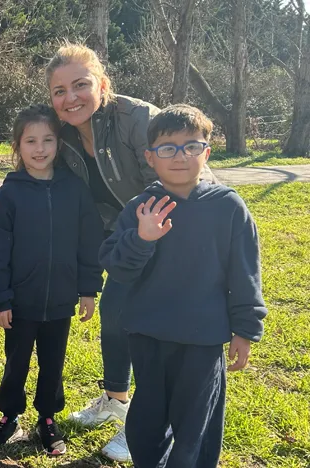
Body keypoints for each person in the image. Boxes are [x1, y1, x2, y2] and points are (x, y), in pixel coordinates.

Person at [45, 42, 215, 462]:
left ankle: (157, 417)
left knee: (157, 329)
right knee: (116, 315)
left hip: (173, 232)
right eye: (59, 91)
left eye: (81, 85)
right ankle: (117, 400)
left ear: (102, 84)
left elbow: (192, 178)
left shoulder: (139, 118)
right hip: (124, 239)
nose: (71, 98)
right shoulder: (61, 132)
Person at [99, 104, 267, 467]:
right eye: (167, 148)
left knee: (195, 426)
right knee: (146, 422)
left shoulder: (228, 208)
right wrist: (142, 239)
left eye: (191, 147)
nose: (179, 157)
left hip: (203, 340)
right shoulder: (140, 207)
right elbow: (117, 267)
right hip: (147, 335)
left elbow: (245, 273)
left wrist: (246, 329)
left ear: (206, 153)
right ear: (150, 157)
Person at [0, 105, 104, 456]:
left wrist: (88, 289)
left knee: (53, 362)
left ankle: (47, 418)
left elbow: (89, 240)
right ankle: (9, 416)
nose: (39, 148)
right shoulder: (10, 192)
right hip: (20, 303)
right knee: (16, 361)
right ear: (18, 146)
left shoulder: (75, 189)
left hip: (62, 299)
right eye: (30, 140)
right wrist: (0, 298)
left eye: (48, 139)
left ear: (59, 144)